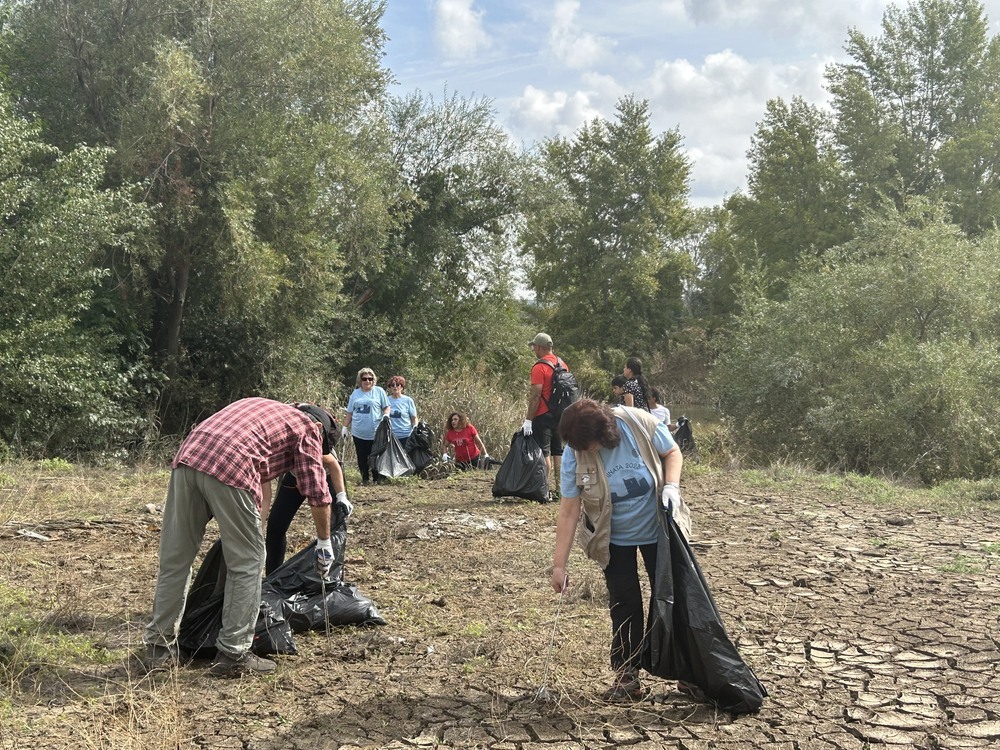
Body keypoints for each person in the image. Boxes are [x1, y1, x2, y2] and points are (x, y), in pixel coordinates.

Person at [143, 397, 342, 677]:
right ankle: (233, 654)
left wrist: (253, 528)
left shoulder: (265, 409)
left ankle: (157, 650)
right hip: (230, 464)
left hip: (189, 455)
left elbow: (259, 484)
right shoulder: (308, 427)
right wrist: (324, 543)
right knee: (247, 563)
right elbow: (318, 493)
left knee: (176, 558)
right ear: (322, 429)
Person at [550, 398, 683, 702]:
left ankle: (686, 673)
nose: (585, 452)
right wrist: (559, 566)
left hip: (658, 529)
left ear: (606, 432)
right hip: (612, 537)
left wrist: (671, 487)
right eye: (578, 447)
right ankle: (627, 674)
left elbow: (672, 452)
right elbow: (570, 510)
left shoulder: (638, 422)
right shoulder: (575, 452)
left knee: (672, 598)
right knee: (624, 603)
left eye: (590, 445)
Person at [264, 403, 353, 577]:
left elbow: (334, 466)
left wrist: (341, 495)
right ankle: (272, 576)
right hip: (294, 478)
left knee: (334, 528)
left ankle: (332, 577)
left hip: (326, 479)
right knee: (275, 526)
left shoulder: (313, 446)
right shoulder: (283, 439)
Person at [523, 332, 569, 497]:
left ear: (540, 347)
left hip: (543, 414)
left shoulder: (539, 367)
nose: (533, 349)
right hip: (560, 414)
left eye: (534, 346)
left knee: (544, 452)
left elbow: (535, 395)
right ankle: (560, 489)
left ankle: (543, 489)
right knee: (559, 451)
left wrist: (528, 419)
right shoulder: (562, 364)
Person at [344, 368, 390, 485]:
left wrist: (386, 415)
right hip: (358, 432)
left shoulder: (379, 391)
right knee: (362, 456)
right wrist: (345, 427)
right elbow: (350, 412)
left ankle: (376, 478)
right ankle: (364, 479)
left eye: (370, 379)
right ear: (360, 380)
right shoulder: (355, 394)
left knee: (375, 455)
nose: (367, 381)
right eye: (365, 379)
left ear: (373, 380)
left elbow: (386, 407)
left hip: (375, 431)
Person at [386, 375, 418, 449]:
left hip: (406, 435)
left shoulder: (408, 400)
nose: (395, 387)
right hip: (392, 436)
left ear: (402, 387)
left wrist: (415, 428)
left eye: (397, 385)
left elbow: (414, 418)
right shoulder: (386, 400)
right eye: (392, 385)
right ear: (390, 387)